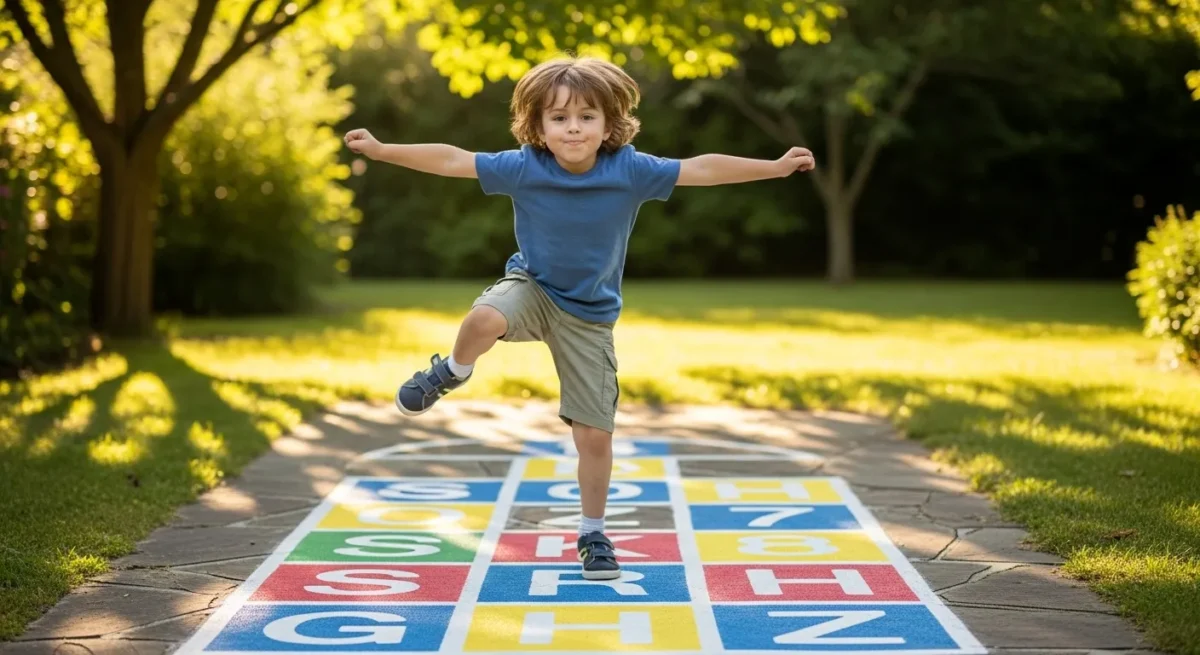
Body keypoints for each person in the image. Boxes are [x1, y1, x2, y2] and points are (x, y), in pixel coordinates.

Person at [343, 54, 816, 580]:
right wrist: (382, 150)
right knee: (481, 320)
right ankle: (451, 371)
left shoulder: (630, 170)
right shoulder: (524, 166)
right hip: (533, 288)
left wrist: (773, 167)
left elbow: (702, 169)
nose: (573, 128)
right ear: (537, 126)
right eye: (559, 118)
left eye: (587, 117)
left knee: (594, 437)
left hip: (589, 318)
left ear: (609, 124)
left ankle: (593, 533)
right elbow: (453, 160)